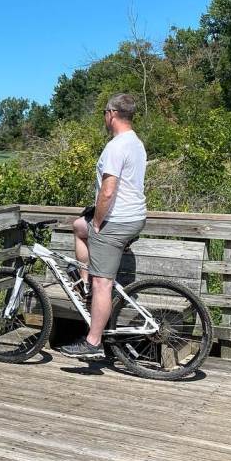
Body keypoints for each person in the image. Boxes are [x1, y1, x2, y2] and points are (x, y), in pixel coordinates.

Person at [59, 92, 147, 358]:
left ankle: (93, 342)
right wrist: (89, 224)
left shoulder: (116, 146)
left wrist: (97, 223)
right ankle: (85, 282)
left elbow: (108, 191)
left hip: (116, 222)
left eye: (104, 114)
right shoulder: (136, 143)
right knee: (78, 226)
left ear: (111, 114)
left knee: (103, 284)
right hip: (134, 217)